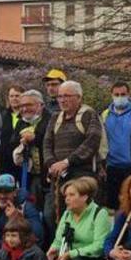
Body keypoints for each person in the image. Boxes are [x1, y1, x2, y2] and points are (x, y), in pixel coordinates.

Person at [43, 80, 104, 226]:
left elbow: (92, 142)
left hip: (82, 176)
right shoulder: (54, 118)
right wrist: (52, 164)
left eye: (67, 96)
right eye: (60, 96)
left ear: (79, 97)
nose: (62, 100)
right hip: (58, 176)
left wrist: (67, 162)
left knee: (79, 216)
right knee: (51, 215)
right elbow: (47, 143)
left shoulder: (89, 115)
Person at [102, 81, 131, 208]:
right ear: (111, 95)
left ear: (129, 94)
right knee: (112, 206)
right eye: (116, 94)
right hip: (112, 167)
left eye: (123, 94)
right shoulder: (105, 114)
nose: (120, 97)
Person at [12, 89, 49, 208]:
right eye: (22, 106)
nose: (24, 109)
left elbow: (51, 142)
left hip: (48, 174)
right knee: (32, 207)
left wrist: (34, 138)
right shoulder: (21, 123)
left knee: (49, 213)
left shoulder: (51, 119)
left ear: (41, 105)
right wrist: (21, 139)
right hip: (30, 175)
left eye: (28, 105)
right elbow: (11, 143)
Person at [0, 85, 24, 177]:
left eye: (17, 96)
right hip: (5, 160)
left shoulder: (27, 115)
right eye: (11, 96)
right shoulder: (3, 115)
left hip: (22, 159)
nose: (14, 98)